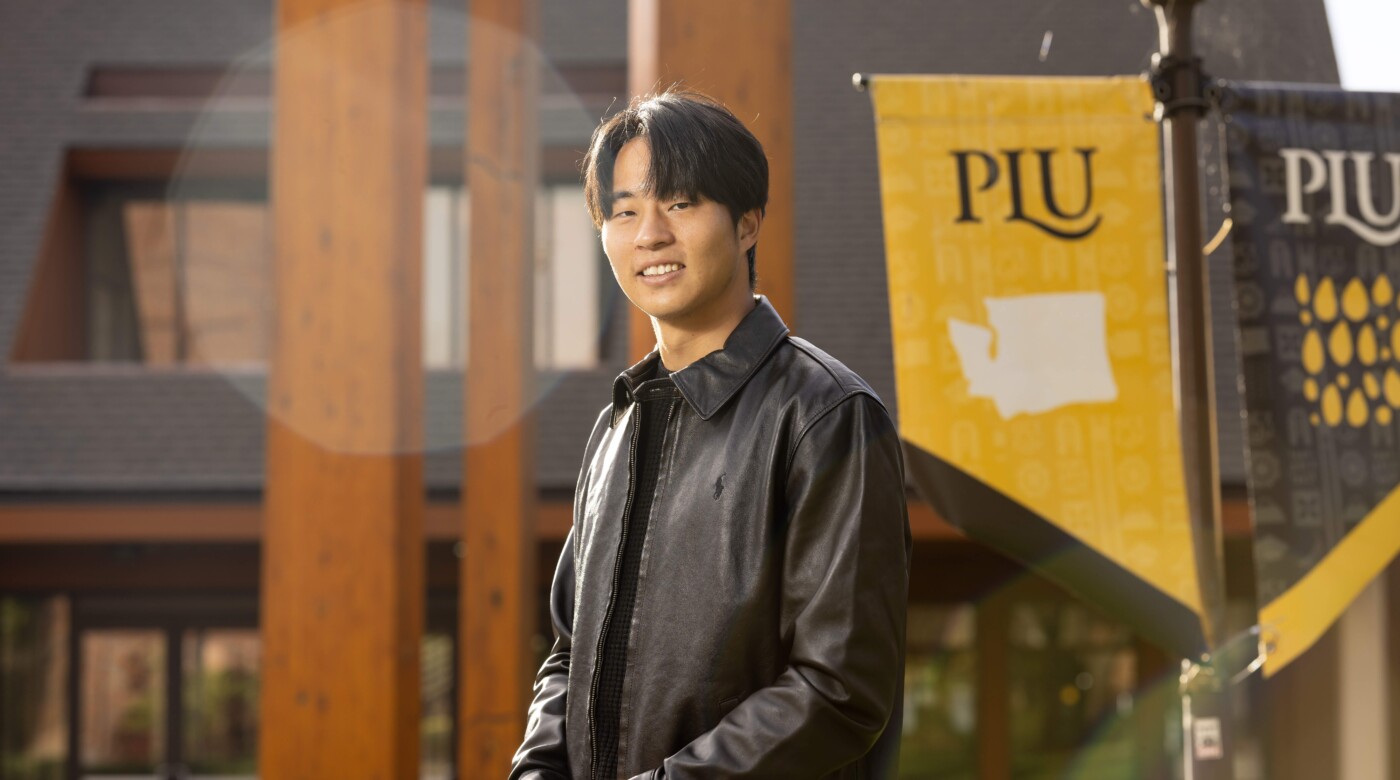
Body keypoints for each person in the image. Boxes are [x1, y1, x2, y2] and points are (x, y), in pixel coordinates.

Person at [509, 88, 911, 780]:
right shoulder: (617, 426)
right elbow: (569, 654)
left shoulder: (825, 414)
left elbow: (840, 689)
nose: (650, 234)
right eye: (624, 211)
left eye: (681, 203)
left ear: (748, 223)